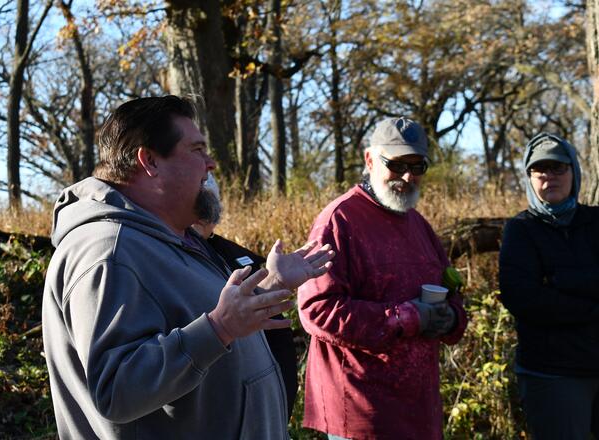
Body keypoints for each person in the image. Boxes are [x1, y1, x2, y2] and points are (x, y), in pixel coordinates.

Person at [41, 95, 333, 439]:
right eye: (197, 150)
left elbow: (197, 320)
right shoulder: (109, 251)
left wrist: (268, 289)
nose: (210, 163)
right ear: (148, 160)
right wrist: (219, 327)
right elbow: (117, 388)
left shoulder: (169, 239)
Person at [297, 117, 468, 439]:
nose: (408, 176)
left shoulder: (419, 225)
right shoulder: (339, 220)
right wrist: (407, 317)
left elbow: (451, 295)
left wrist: (450, 317)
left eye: (418, 166)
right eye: (397, 164)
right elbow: (317, 311)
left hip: (420, 413)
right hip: (362, 416)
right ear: (370, 159)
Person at [499, 132, 599, 440]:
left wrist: (559, 282)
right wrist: (593, 304)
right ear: (529, 177)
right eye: (540, 169)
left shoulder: (596, 222)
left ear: (574, 172)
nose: (550, 176)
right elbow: (524, 299)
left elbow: (545, 297)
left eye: (558, 168)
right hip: (552, 375)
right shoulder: (521, 230)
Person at [192, 173, 298, 418]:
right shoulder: (158, 258)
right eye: (195, 204)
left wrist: (273, 283)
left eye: (207, 206)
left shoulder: (239, 257)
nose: (199, 215)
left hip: (263, 411)